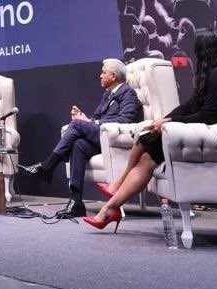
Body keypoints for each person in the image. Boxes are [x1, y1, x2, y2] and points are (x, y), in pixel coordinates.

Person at [83, 31, 217, 232]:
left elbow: (209, 115)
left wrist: (170, 122)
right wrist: (162, 119)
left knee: (147, 143)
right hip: (203, 128)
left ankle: (113, 197)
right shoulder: (213, 73)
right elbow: (191, 105)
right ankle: (112, 203)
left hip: (214, 133)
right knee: (146, 140)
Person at [18, 59, 142, 218]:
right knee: (78, 145)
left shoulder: (128, 93)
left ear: (113, 75)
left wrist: (89, 122)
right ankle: (76, 202)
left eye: (103, 72)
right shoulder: (107, 95)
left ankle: (46, 167)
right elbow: (96, 118)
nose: (100, 76)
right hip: (101, 138)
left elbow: (126, 120)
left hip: (115, 140)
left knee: (76, 125)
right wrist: (85, 118)